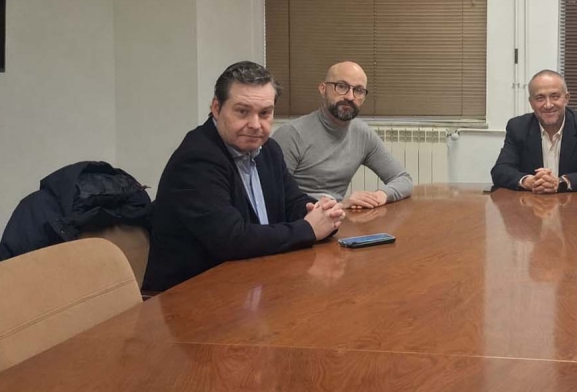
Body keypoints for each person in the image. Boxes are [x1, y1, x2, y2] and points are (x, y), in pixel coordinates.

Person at [143, 61, 345, 292]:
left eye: (265, 113)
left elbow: (292, 201)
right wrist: (309, 229)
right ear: (216, 108)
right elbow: (232, 239)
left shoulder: (268, 150)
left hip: (252, 281)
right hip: (191, 295)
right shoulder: (197, 159)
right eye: (242, 111)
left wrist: (323, 212)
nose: (255, 125)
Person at [272, 61, 412, 209]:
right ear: (323, 89)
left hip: (338, 218)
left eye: (359, 90)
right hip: (301, 219)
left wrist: (378, 196)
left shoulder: (362, 134)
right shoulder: (291, 134)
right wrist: (341, 205)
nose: (350, 97)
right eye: (342, 86)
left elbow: (403, 179)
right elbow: (273, 200)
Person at [491, 70, 577, 193]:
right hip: (531, 201)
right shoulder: (518, 127)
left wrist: (561, 182)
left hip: (571, 202)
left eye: (555, 96)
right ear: (531, 103)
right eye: (540, 98)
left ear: (566, 98)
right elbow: (500, 170)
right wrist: (529, 181)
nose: (548, 105)